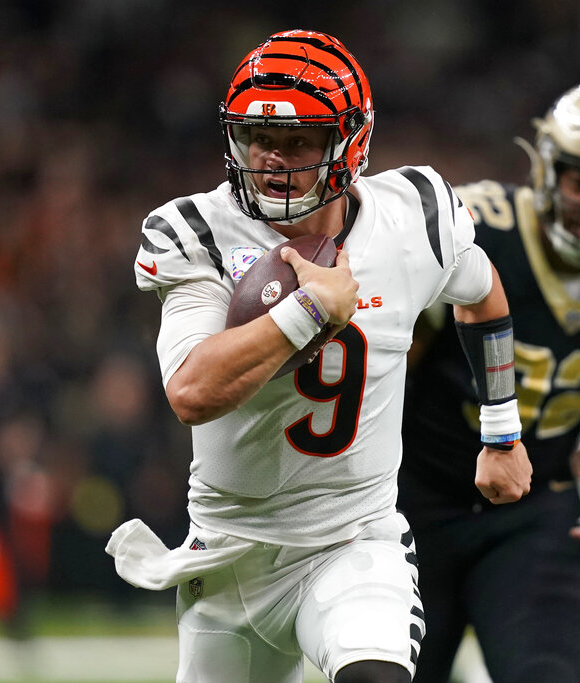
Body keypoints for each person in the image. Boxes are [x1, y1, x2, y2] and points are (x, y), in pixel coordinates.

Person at [105, 30, 532, 683]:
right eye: (257, 138)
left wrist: (501, 429)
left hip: (353, 540)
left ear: (350, 142)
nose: (273, 159)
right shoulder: (198, 232)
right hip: (229, 554)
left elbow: (481, 294)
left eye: (299, 141)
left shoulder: (413, 216)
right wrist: (306, 313)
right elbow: (191, 390)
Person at [397, 77, 580, 682]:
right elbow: (387, 371)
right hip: (412, 502)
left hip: (534, 514)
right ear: (546, 167)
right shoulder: (476, 225)